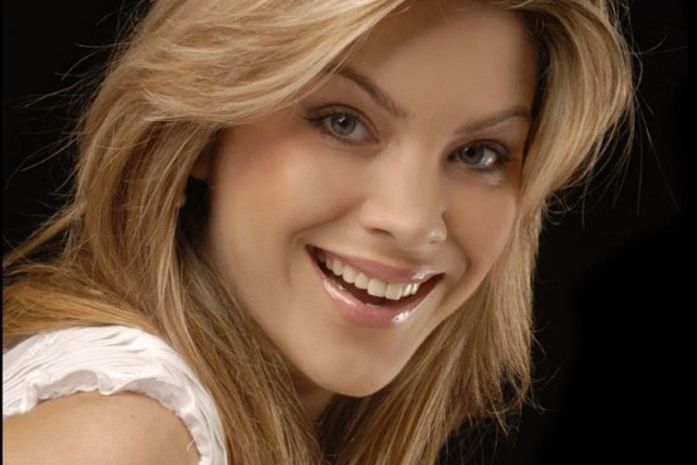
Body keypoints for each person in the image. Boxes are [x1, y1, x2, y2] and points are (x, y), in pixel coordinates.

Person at [2, 0, 634, 464]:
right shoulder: (123, 433)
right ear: (203, 130)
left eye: (478, 154)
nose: (413, 221)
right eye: (342, 122)